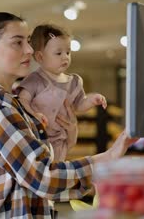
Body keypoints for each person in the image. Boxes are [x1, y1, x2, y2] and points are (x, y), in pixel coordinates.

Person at [0, 12, 136, 218]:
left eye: (29, 42)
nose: (30, 50)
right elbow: (42, 177)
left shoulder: (11, 103)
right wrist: (107, 158)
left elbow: (28, 183)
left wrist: (87, 182)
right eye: (18, 43)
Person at [17, 24, 107, 162]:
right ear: (40, 57)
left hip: (61, 140)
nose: (65, 57)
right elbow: (22, 100)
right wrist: (34, 115)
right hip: (37, 137)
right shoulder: (35, 79)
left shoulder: (74, 81)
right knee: (42, 170)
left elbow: (79, 105)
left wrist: (92, 99)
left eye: (68, 52)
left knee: (57, 169)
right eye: (58, 53)